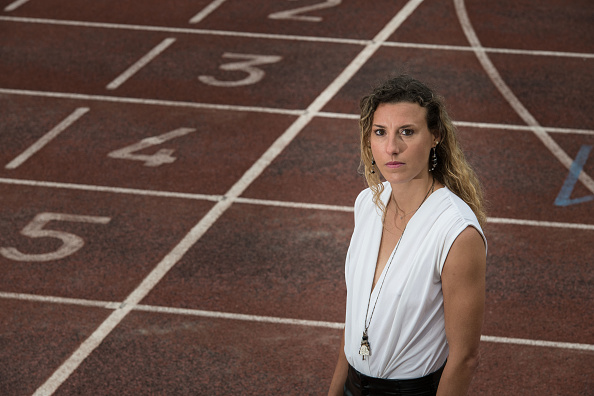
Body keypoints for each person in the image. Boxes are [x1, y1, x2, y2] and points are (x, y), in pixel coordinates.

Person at [328, 75, 488, 396]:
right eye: (380, 132)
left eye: (407, 132)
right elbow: (358, 316)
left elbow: (464, 358)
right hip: (352, 385)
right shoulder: (367, 204)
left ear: (435, 136)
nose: (392, 148)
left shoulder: (456, 231)